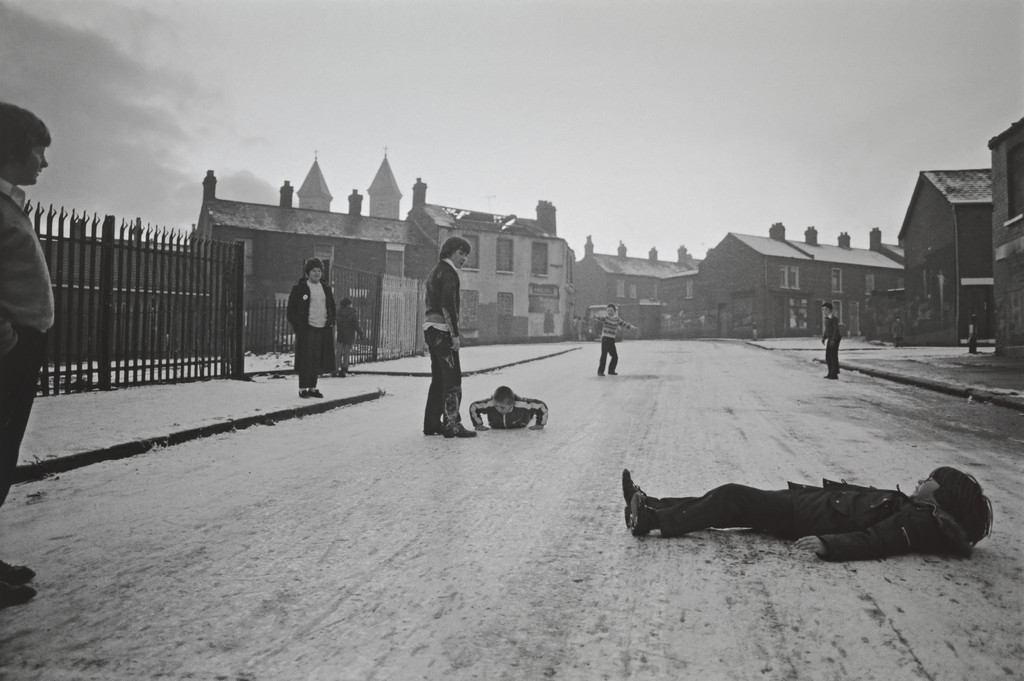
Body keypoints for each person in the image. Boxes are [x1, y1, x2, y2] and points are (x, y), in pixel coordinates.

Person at [621, 467, 992, 562]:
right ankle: (650, 503)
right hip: (807, 505)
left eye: (928, 481)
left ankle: (653, 519)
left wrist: (829, 546)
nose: (921, 481)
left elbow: (877, 540)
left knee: (732, 497)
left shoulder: (918, 521)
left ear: (940, 497)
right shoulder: (919, 513)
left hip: (804, 516)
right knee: (726, 499)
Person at [0, 103, 52, 607]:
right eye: (38, 149)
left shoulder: (10, 202)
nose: (43, 161)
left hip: (20, 348)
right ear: (12, 148)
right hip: (8, 351)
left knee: (3, 455)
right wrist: (9, 343)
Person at [422, 236, 476, 438]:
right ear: (450, 251)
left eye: (466, 255)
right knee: (452, 378)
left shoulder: (434, 272)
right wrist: (454, 335)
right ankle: (452, 424)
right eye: (461, 253)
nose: (464, 258)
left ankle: (431, 424)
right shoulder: (449, 273)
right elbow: (448, 306)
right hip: (443, 330)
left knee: (438, 378)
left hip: (429, 327)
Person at [286, 258, 336, 398]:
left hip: (322, 329)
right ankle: (302, 388)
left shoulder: (326, 288)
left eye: (319, 270)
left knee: (316, 359)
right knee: (305, 358)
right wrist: (299, 326)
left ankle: (313, 388)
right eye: (314, 270)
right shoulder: (299, 289)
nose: (317, 273)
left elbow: (332, 306)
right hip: (307, 329)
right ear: (308, 272)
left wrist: (331, 319)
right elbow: (291, 311)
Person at [469, 386, 548, 431]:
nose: (498, 409)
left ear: (512, 404)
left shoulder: (522, 405)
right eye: (496, 406)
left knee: (529, 412)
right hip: (497, 424)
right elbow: (474, 407)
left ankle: (530, 414)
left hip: (520, 421)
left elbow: (541, 406)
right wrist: (478, 424)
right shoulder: (491, 404)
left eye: (502, 407)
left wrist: (540, 424)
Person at [597, 304, 637, 376]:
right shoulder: (606, 318)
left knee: (614, 356)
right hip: (605, 338)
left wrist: (632, 327)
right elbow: (600, 318)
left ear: (614, 311)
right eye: (608, 310)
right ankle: (600, 371)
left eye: (611, 310)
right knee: (604, 355)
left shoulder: (617, 319)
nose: (609, 312)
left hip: (611, 339)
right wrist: (595, 317)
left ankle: (611, 370)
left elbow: (624, 324)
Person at [334, 297, 363, 377]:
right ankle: (344, 368)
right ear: (349, 304)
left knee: (338, 352)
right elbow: (356, 325)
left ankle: (336, 368)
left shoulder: (338, 312)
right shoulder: (353, 313)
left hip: (340, 335)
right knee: (347, 353)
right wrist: (360, 333)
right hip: (349, 335)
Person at [821, 302, 841, 379]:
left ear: (830, 310)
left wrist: (833, 340)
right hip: (830, 338)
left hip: (834, 338)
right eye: (823, 310)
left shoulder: (834, 319)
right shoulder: (826, 319)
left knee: (833, 356)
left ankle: (834, 374)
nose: (824, 311)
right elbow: (827, 329)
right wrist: (824, 337)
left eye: (826, 309)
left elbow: (836, 330)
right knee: (828, 356)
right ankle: (830, 373)